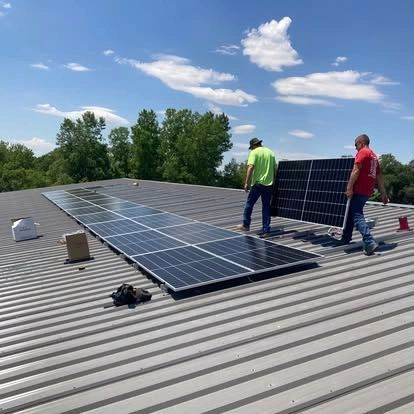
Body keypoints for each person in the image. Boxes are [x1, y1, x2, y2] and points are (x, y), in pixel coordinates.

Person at [342, 134, 389, 255]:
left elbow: (356, 170)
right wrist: (383, 194)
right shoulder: (373, 156)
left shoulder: (363, 152)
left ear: (362, 143)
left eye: (356, 145)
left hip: (360, 189)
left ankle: (369, 242)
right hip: (368, 191)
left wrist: (349, 187)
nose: (355, 148)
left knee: (357, 215)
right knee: (351, 212)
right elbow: (379, 177)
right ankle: (346, 237)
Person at [237, 137, 276, 238]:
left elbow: (250, 167)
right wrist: (273, 181)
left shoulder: (254, 152)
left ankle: (246, 225)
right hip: (269, 184)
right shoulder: (270, 152)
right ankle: (266, 230)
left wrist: (246, 183)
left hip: (258, 184)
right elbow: (274, 168)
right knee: (266, 207)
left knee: (249, 204)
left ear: (254, 145)